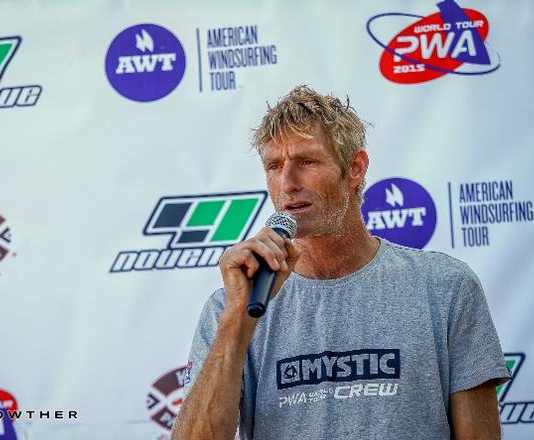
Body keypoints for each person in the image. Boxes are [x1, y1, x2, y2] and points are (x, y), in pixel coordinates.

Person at [171, 85, 510, 439]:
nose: (287, 184)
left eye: (306, 162)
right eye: (274, 166)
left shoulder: (445, 287)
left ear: (355, 167)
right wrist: (238, 320)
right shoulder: (231, 306)